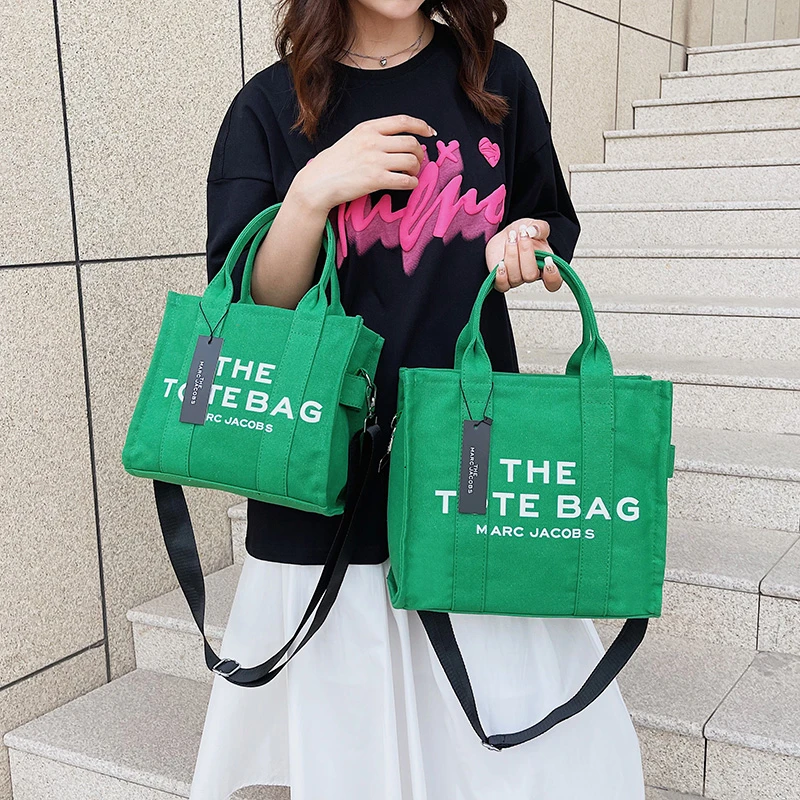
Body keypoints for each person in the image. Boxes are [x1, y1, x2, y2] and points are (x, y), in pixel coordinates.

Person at [190, 2, 646, 798]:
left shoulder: (495, 80)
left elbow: (545, 221)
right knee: (357, 760)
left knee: (509, 753)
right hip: (324, 475)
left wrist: (525, 246)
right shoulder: (270, 103)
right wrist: (311, 195)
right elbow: (256, 305)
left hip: (467, 462)